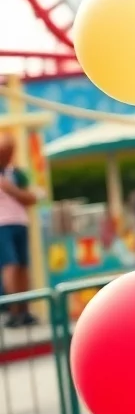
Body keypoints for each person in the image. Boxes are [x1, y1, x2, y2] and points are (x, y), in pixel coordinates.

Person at [0, 132, 38, 327]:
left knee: (22, 266)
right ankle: (14, 310)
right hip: (2, 225)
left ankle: (24, 309)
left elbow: (32, 198)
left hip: (20, 222)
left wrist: (12, 191)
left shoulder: (16, 174)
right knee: (11, 265)